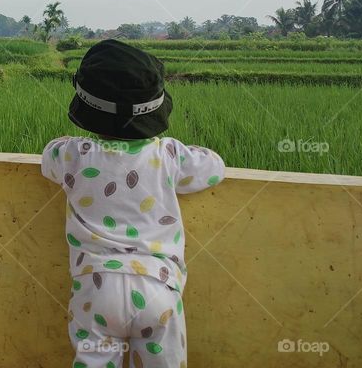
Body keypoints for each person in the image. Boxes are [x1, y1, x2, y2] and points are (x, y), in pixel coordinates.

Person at [42, 39, 225, 368]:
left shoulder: (72, 155)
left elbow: (48, 156)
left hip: (95, 290)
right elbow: (214, 167)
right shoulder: (168, 154)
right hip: (158, 287)